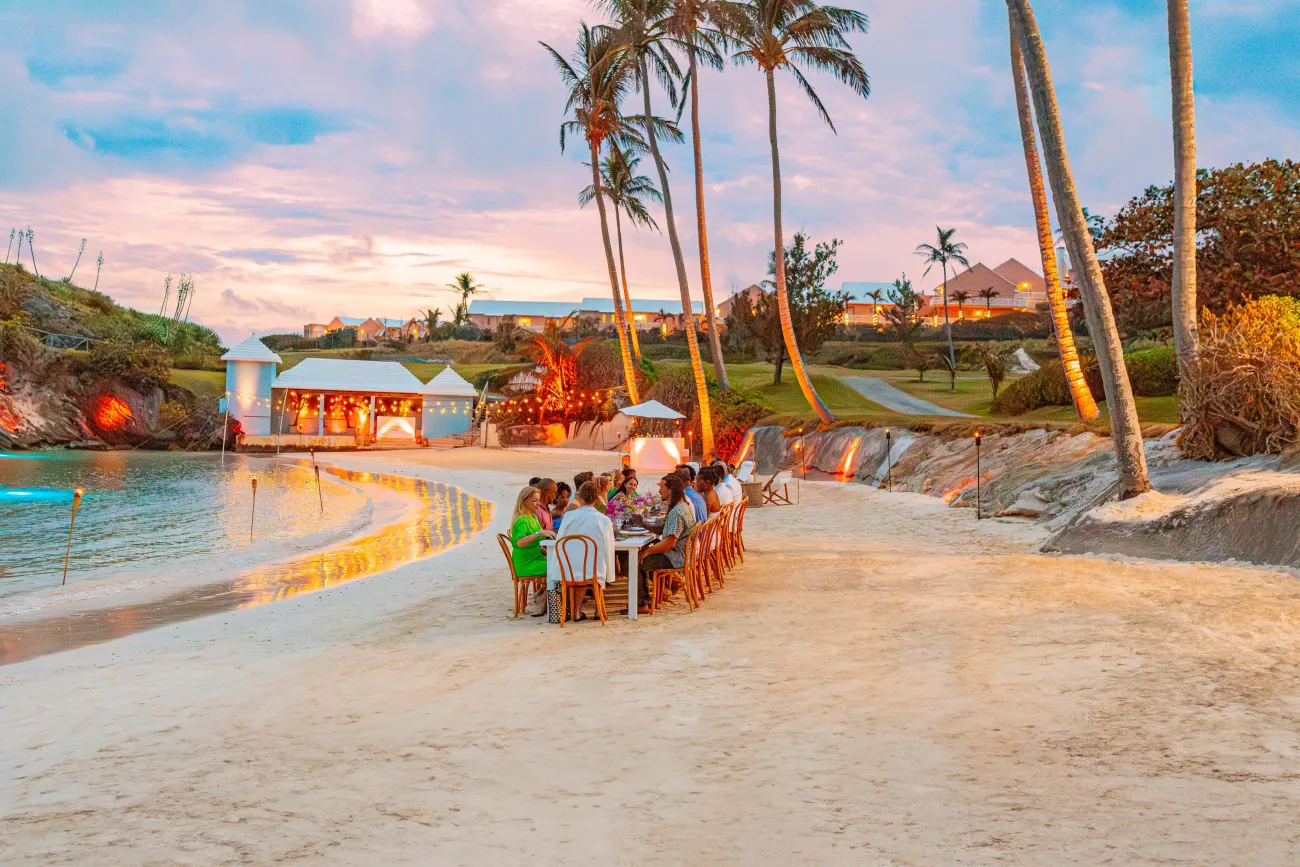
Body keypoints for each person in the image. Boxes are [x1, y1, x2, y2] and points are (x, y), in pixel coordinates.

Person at [548, 481, 618, 620]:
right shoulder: (603, 520)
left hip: (569, 569)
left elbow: (559, 541)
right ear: (597, 497)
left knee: (581, 567)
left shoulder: (569, 516)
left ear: (579, 496)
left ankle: (577, 611)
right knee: (598, 566)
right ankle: (599, 610)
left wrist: (556, 569)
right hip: (593, 569)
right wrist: (610, 574)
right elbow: (609, 548)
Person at [638, 474, 698, 613]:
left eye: (662, 487)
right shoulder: (682, 505)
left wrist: (648, 551)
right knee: (645, 555)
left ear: (670, 490)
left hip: (676, 557)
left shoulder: (676, 512)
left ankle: (642, 603)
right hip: (684, 553)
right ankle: (666, 588)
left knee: (638, 562)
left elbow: (669, 543)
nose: (659, 491)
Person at [510, 486, 553, 585]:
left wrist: (548, 534)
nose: (538, 504)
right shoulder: (522, 520)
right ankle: (551, 598)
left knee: (559, 564)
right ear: (525, 501)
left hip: (537, 559)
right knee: (558, 567)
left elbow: (539, 537)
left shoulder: (533, 517)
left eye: (538, 500)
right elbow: (520, 542)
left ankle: (547, 595)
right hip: (526, 564)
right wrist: (539, 533)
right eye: (534, 501)